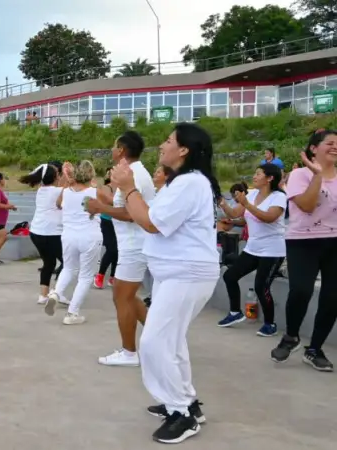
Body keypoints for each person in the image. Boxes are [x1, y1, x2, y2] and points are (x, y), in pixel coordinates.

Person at [111, 122, 221, 444]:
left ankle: (182, 414)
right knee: (172, 342)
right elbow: (150, 219)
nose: (162, 144)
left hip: (185, 274)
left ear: (184, 150)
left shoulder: (189, 183)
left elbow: (150, 223)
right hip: (175, 273)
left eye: (169, 140)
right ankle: (186, 401)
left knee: (154, 343)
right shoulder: (182, 182)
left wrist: (129, 188)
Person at [85, 131, 156, 367]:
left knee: (121, 297)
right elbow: (122, 207)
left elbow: (130, 214)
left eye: (115, 146)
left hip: (136, 245)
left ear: (122, 150)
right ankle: (159, 339)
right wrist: (101, 201)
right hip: (132, 244)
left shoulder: (135, 175)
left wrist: (99, 208)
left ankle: (129, 352)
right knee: (125, 296)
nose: (111, 150)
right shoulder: (132, 173)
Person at [271, 129, 337, 372]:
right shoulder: (299, 174)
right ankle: (291, 336)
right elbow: (308, 206)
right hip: (303, 241)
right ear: (313, 148)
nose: (335, 147)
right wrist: (318, 176)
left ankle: (315, 349)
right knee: (301, 290)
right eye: (329, 143)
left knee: (333, 298)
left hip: (334, 242)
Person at [217, 163, 286, 336]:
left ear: (270, 178)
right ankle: (235, 312)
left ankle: (270, 324)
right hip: (253, 248)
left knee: (261, 286)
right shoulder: (253, 194)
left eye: (258, 174)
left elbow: (269, 218)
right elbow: (234, 214)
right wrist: (223, 203)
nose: (254, 177)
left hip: (272, 250)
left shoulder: (278, 197)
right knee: (229, 276)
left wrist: (247, 204)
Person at [45, 160, 102, 325]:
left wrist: (68, 182)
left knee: (69, 268)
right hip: (90, 236)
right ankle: (72, 313)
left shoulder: (66, 192)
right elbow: (112, 203)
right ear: (91, 175)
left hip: (69, 235)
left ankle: (56, 293)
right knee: (85, 276)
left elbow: (58, 204)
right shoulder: (95, 191)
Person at [20, 164, 63, 305]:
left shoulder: (41, 190)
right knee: (69, 263)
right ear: (54, 176)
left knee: (49, 263)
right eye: (58, 173)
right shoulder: (57, 191)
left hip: (36, 233)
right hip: (52, 234)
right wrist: (69, 174)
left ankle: (43, 295)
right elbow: (70, 188)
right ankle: (58, 293)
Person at [95, 167, 117, 289]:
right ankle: (100, 275)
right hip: (107, 221)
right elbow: (109, 202)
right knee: (112, 249)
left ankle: (113, 276)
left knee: (118, 250)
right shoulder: (106, 188)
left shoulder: (122, 187)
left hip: (119, 221)